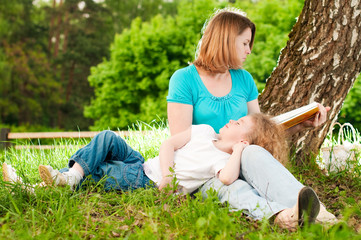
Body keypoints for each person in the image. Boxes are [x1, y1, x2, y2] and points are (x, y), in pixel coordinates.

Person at [166, 7, 336, 230]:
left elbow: (257, 131)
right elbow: (181, 140)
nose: (249, 50)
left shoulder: (244, 80)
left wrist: (299, 126)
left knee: (253, 151)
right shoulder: (184, 79)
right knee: (230, 188)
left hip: (242, 158)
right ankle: (285, 218)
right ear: (226, 40)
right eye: (245, 43)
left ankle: (324, 217)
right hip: (206, 169)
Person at [2, 114, 320, 229]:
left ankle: (44, 185)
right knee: (108, 138)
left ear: (242, 140)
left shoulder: (219, 162)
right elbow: (168, 144)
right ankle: (69, 177)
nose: (233, 120)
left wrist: (238, 152)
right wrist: (167, 175)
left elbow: (226, 180)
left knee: (99, 174)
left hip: (142, 181)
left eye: (239, 124)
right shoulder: (203, 130)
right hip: (147, 166)